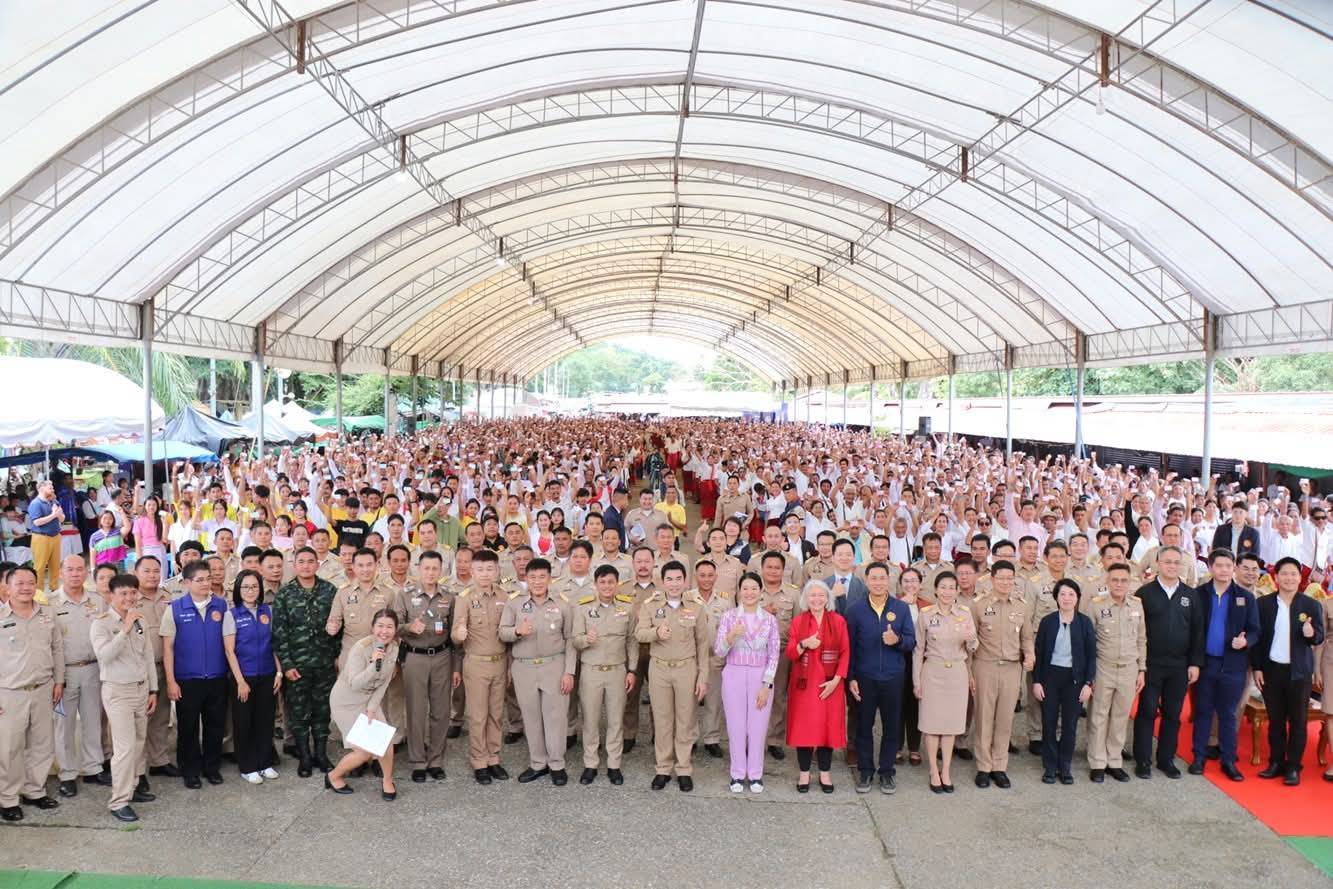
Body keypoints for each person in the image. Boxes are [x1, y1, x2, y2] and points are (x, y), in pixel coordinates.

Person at [498, 557, 576, 785]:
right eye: (533, 577)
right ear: (526, 578)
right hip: (524, 667)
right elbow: (502, 632)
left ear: (550, 578)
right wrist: (517, 631)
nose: (538, 581)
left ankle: (557, 764)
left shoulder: (562, 604)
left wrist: (569, 672)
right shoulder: (514, 603)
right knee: (531, 717)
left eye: (542, 576)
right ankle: (538, 763)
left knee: (555, 718)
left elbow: (570, 639)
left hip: (554, 665)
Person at [634, 560, 710, 792]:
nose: (674, 584)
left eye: (678, 579)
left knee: (685, 720)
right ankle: (663, 768)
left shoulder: (696, 607)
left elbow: (702, 644)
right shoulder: (650, 605)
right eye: (670, 579)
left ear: (685, 581)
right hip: (659, 669)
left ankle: (684, 768)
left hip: (686, 669)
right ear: (662, 581)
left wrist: (702, 677)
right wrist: (656, 632)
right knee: (663, 720)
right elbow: (639, 634)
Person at [89, 573, 158, 822]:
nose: (129, 597)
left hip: (141, 689)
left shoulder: (139, 619)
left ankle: (133, 786)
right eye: (123, 593)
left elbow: (147, 657)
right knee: (124, 748)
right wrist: (125, 629)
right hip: (118, 691)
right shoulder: (101, 623)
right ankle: (118, 801)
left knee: (139, 743)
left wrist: (153, 690)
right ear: (111, 595)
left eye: (132, 593)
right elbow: (105, 656)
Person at [1132, 545, 1205, 780]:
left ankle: (1166, 759)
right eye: (1167, 561)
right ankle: (1143, 759)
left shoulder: (1190, 595)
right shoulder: (1144, 593)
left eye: (1176, 562)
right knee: (1147, 711)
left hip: (1179, 665)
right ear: (1158, 564)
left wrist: (1195, 663)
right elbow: (1137, 630)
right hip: (1151, 664)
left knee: (1173, 714)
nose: (1172, 566)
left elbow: (1198, 632)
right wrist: (1139, 664)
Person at [1251, 557, 1326, 786]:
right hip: (1272, 670)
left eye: (1294, 574)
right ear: (1276, 577)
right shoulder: (1263, 604)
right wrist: (1257, 667)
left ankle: (1293, 766)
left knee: (1298, 721)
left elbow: (1320, 637)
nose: (1289, 578)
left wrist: (1311, 633)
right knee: (1275, 720)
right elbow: (1257, 639)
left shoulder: (1311, 605)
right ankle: (1275, 762)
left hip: (1299, 673)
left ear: (1300, 577)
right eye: (1284, 573)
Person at [846, 560, 916, 794]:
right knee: (864, 726)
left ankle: (887, 772)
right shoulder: (855, 610)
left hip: (893, 677)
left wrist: (897, 640)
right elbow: (850, 648)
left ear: (889, 580)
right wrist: (851, 677)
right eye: (873, 578)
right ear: (866, 581)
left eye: (882, 578)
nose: (878, 582)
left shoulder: (901, 608)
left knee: (891, 727)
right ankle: (866, 771)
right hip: (865, 677)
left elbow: (911, 642)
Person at [0, 566, 64, 821]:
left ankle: (34, 791)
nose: (26, 588)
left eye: (30, 583)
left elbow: (57, 649)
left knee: (42, 744)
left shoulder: (48, 614)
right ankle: (8, 798)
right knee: (10, 748)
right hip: (10, 693)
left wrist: (59, 681)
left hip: (43, 689)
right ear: (7, 587)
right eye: (19, 583)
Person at [1189, 549, 1258, 781]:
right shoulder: (1198, 594)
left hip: (1233, 665)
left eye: (1228, 566)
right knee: (1203, 711)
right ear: (1210, 567)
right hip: (1205, 664)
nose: (1224, 570)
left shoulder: (1246, 597)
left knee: (1229, 714)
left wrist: (1246, 641)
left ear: (1234, 568)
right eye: (1219, 565)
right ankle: (1199, 757)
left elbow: (1255, 630)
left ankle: (1228, 760)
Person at [272, 547, 340, 778]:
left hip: (324, 663)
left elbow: (338, 626)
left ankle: (321, 754)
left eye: (311, 561)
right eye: (301, 561)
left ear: (317, 564)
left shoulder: (329, 590)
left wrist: (335, 656)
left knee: (322, 711)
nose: (306, 566)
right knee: (298, 713)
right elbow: (279, 633)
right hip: (297, 666)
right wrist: (287, 665)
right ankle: (305, 756)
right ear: (294, 565)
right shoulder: (285, 594)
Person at [160, 561, 229, 788]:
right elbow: (168, 648)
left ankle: (211, 767)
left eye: (208, 578)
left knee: (215, 726)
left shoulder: (221, 606)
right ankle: (190, 770)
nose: (205, 583)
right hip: (187, 680)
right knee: (188, 727)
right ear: (187, 583)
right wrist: (171, 681)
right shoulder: (175, 608)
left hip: (217, 677)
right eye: (199, 580)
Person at [969, 560, 1034, 789]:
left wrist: (1030, 654)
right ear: (992, 579)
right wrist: (969, 673)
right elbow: (970, 640)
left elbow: (1027, 637)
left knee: (1005, 719)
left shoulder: (1022, 606)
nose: (1006, 582)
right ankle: (983, 766)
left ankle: (999, 766)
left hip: (1011, 668)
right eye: (1001, 578)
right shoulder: (978, 605)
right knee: (984, 718)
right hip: (984, 666)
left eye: (1010, 578)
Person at [325, 610, 401, 800]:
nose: (384, 631)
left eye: (389, 627)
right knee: (363, 753)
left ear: (395, 629)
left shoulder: (394, 647)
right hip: (346, 702)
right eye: (380, 626)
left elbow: (384, 682)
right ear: (373, 628)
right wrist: (374, 663)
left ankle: (387, 781)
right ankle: (333, 776)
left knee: (386, 741)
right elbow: (355, 684)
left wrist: (372, 708)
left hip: (368, 700)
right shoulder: (361, 648)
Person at [572, 564, 638, 785]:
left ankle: (613, 765)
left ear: (617, 584)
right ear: (595, 584)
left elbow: (631, 641)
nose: (607, 586)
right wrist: (586, 640)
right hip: (591, 671)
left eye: (611, 582)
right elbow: (575, 640)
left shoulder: (627, 608)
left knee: (615, 721)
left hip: (617, 671)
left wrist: (632, 670)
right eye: (602, 582)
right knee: (590, 720)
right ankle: (590, 764)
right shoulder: (583, 607)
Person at [396, 550, 458, 783]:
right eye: (426, 568)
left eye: (435, 568)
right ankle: (418, 761)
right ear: (418, 569)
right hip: (415, 657)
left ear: (441, 570)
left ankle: (436, 760)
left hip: (442, 656)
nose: (430, 573)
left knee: (441, 711)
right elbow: (394, 625)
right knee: (416, 710)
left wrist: (457, 666)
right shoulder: (404, 594)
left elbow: (455, 635)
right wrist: (409, 628)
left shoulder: (449, 596)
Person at [912, 571, 976, 794]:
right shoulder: (926, 614)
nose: (947, 592)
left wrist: (971, 639)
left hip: (957, 673)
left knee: (950, 726)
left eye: (952, 587)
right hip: (932, 672)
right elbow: (918, 649)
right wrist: (916, 681)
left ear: (957, 591)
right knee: (932, 725)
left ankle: (946, 770)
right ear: (936, 590)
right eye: (943, 587)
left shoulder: (965, 614)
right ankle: (933, 770)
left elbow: (973, 647)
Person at [451, 548, 511, 785]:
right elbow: (455, 634)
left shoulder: (505, 596)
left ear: (496, 571)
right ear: (472, 571)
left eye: (489, 569)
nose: (485, 573)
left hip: (500, 662)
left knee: (496, 714)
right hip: (476, 664)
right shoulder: (464, 597)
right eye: (480, 569)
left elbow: (508, 634)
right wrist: (459, 634)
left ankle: (493, 758)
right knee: (478, 716)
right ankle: (479, 761)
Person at [714, 572, 779, 792]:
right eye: (745, 588)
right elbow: (719, 651)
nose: (749, 593)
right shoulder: (729, 617)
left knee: (758, 728)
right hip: (734, 673)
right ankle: (737, 774)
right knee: (736, 727)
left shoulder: (769, 619)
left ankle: (756, 774)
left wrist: (766, 685)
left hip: (760, 676)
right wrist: (732, 635)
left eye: (754, 588)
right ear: (739, 591)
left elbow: (774, 655)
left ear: (761, 591)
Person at [51, 555, 109, 797]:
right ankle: (67, 774)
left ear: (86, 573)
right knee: (63, 725)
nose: (75, 573)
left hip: (93, 669)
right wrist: (56, 678)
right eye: (70, 569)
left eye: (79, 569)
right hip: (63, 674)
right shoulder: (50, 603)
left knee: (93, 720)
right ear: (60, 573)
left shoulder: (97, 600)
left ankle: (93, 767)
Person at [1083, 563, 1146, 783]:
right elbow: (1087, 642)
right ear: (1107, 582)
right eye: (1115, 580)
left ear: (1130, 582)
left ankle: (1114, 761)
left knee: (1120, 717)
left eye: (1124, 580)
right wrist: (1089, 674)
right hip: (1103, 667)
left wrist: (1142, 669)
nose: (1119, 584)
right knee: (1099, 716)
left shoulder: (1137, 605)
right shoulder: (1096, 605)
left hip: (1129, 669)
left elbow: (1141, 639)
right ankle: (1097, 762)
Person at [786, 579, 848, 794]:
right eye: (812, 595)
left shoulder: (838, 621)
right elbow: (791, 652)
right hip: (804, 685)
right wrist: (804, 644)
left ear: (828, 598)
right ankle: (804, 773)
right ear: (806, 599)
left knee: (826, 729)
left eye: (821, 595)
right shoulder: (798, 622)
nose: (817, 599)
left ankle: (825, 772)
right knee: (803, 728)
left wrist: (837, 680)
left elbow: (845, 652)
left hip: (830, 684)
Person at [1032, 579, 1096, 785]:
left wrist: (1088, 683)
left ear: (1077, 598)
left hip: (1075, 679)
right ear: (1056, 597)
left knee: (1070, 724)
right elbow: (1039, 653)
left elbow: (1091, 656)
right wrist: (1037, 681)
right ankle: (1050, 766)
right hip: (1050, 677)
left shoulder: (1084, 623)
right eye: (1062, 594)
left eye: (1071, 594)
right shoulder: (1048, 621)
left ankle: (1065, 766)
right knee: (1049, 723)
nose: (1067, 598)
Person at [222, 569, 281, 785]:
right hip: (243, 677)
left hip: (267, 674)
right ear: (238, 589)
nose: (250, 590)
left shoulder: (267, 611)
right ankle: (247, 766)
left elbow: (274, 645)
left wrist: (279, 672)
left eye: (254, 586)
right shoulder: (232, 615)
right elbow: (229, 651)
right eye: (245, 587)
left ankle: (264, 763)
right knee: (244, 722)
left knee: (265, 721)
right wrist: (240, 681)